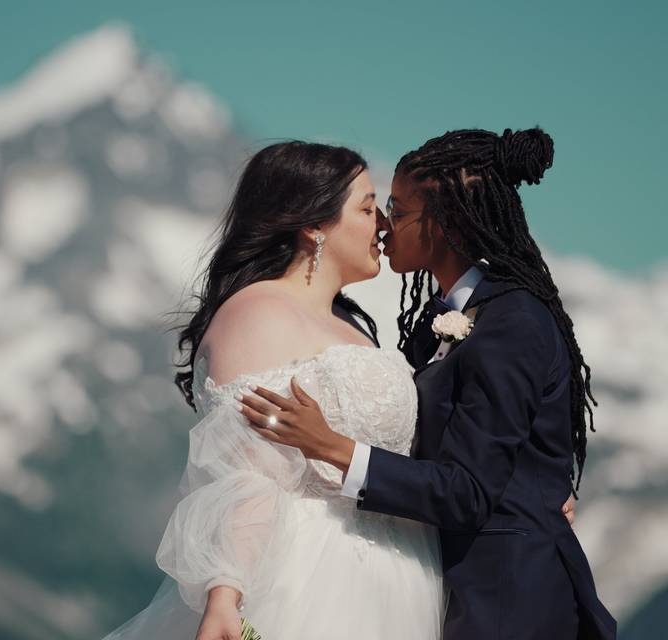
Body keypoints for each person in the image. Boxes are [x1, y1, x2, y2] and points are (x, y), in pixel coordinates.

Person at [239, 128, 616, 639]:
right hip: (447, 590)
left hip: (508, 602)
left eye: (398, 210)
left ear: (445, 222)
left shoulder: (513, 323)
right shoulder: (440, 321)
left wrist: (334, 448)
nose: (385, 226)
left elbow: (469, 492)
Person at [102, 140, 446, 639]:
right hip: (312, 581)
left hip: (403, 578)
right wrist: (226, 594)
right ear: (312, 225)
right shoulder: (258, 312)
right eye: (368, 208)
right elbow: (249, 471)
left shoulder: (355, 328)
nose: (384, 225)